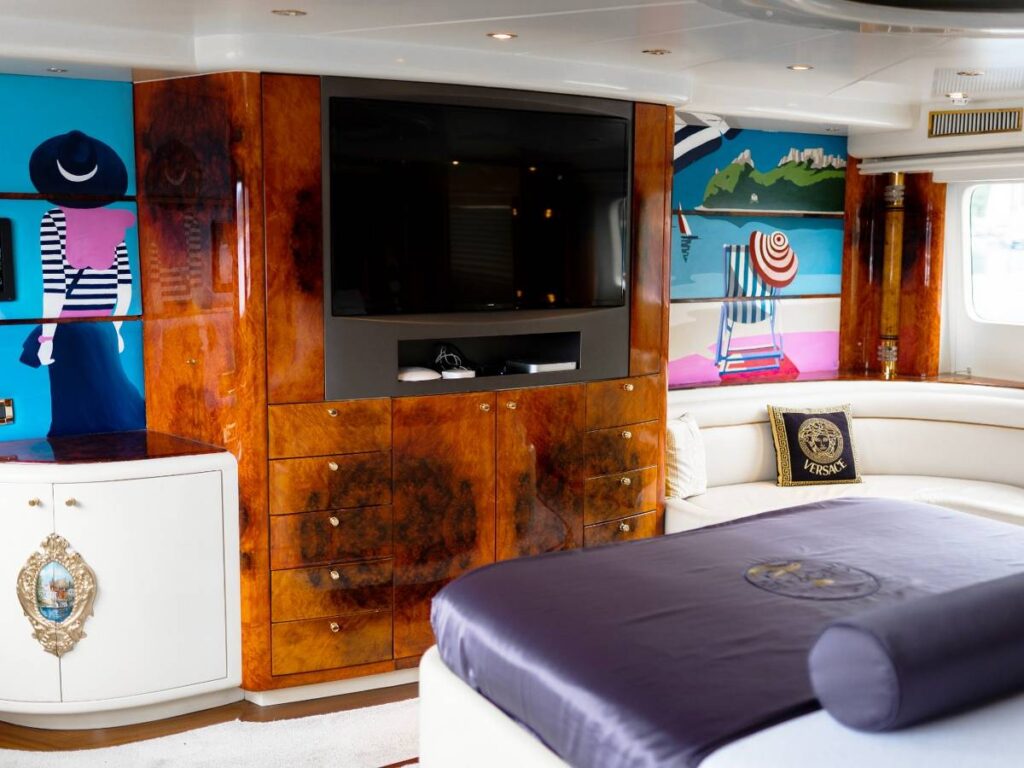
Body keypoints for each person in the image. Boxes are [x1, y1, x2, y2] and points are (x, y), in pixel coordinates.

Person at [28, 130, 145, 436]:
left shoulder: (52, 221)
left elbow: (55, 288)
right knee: (113, 412)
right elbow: (125, 287)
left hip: (67, 333)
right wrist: (116, 328)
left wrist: (47, 338)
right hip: (102, 328)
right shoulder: (114, 222)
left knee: (73, 418)